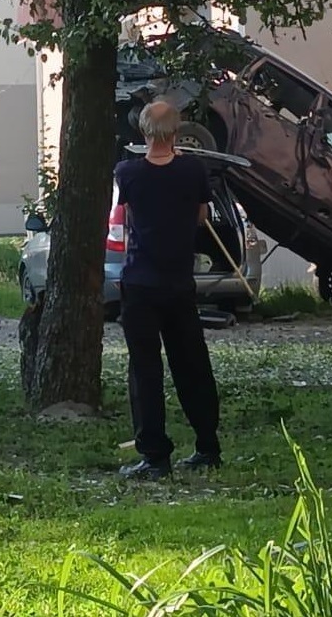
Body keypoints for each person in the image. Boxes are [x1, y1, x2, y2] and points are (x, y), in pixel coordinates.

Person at [114, 102, 221, 480]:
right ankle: (207, 444)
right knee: (192, 364)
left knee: (145, 370)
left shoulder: (127, 173)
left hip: (140, 282)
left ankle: (155, 455)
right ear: (177, 132)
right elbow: (202, 216)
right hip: (179, 283)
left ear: (143, 133)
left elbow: (122, 218)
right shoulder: (193, 170)